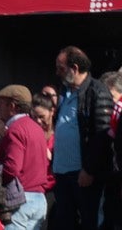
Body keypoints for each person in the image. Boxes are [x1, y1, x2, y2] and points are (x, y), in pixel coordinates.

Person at [51, 46, 112, 230]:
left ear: (74, 68)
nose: (57, 73)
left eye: (61, 68)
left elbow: (102, 135)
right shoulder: (65, 91)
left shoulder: (97, 91)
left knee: (88, 221)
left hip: (82, 175)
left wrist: (89, 169)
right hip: (63, 174)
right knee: (65, 222)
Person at [0, 84, 50, 230]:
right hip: (39, 200)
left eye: (0, 103)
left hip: (21, 200)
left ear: (12, 106)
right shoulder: (36, 128)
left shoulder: (16, 129)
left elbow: (12, 168)